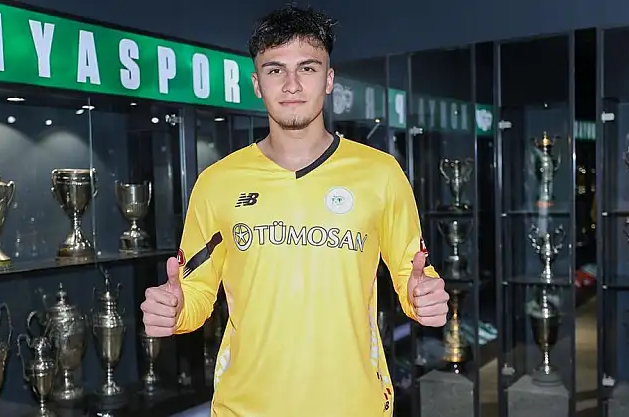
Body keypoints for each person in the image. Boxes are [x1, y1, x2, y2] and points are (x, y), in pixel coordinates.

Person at [140, 5, 449, 416]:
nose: (291, 85)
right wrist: (175, 310)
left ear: (329, 79)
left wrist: (422, 297)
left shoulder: (380, 173)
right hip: (246, 408)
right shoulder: (218, 182)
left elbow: (413, 273)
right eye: (275, 70)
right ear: (256, 83)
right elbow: (196, 291)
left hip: (354, 405)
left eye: (307, 68)